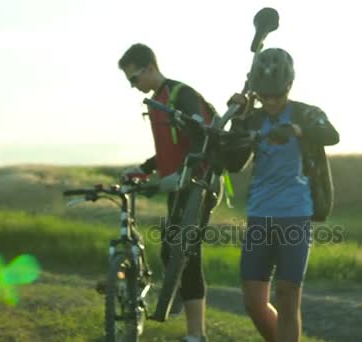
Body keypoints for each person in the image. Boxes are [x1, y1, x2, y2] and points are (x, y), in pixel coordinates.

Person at [226, 47, 339, 342]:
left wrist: (299, 130)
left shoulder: (305, 112)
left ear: (289, 86)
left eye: (277, 94)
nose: (272, 101)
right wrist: (236, 119)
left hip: (295, 214)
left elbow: (332, 135)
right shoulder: (252, 119)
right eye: (266, 95)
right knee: (253, 301)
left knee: (288, 295)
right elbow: (232, 163)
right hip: (259, 215)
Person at [118, 43, 215, 342]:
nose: (133, 87)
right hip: (178, 184)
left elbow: (203, 140)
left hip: (198, 185)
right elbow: (170, 148)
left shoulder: (180, 95)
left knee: (187, 254)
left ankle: (196, 335)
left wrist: (185, 174)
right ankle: (175, 302)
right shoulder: (157, 100)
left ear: (149, 67)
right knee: (169, 250)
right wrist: (145, 167)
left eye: (134, 79)